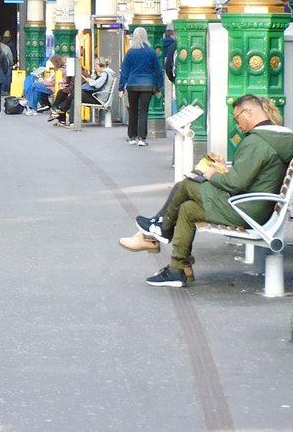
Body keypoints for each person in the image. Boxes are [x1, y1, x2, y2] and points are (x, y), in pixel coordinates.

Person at [122, 95, 293, 288]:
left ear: (249, 112)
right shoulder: (278, 138)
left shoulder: (257, 141)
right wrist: (224, 170)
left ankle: (162, 229)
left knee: (187, 184)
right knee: (188, 209)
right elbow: (252, 178)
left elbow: (236, 183)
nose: (238, 125)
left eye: (237, 118)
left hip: (246, 210)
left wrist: (213, 175)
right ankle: (177, 269)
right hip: (255, 207)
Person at [118, 27, 165, 146]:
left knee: (133, 111)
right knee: (144, 111)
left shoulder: (130, 52)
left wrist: (121, 88)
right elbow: (158, 70)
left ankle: (132, 137)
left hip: (132, 85)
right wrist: (159, 87)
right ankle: (142, 138)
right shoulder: (151, 52)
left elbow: (125, 71)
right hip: (147, 85)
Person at [52, 57, 113, 126]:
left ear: (101, 66)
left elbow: (97, 85)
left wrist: (90, 81)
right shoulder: (105, 74)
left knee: (77, 93)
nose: (95, 68)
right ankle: (69, 118)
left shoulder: (105, 74)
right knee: (75, 96)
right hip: (98, 97)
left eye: (96, 66)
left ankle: (61, 109)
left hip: (99, 98)